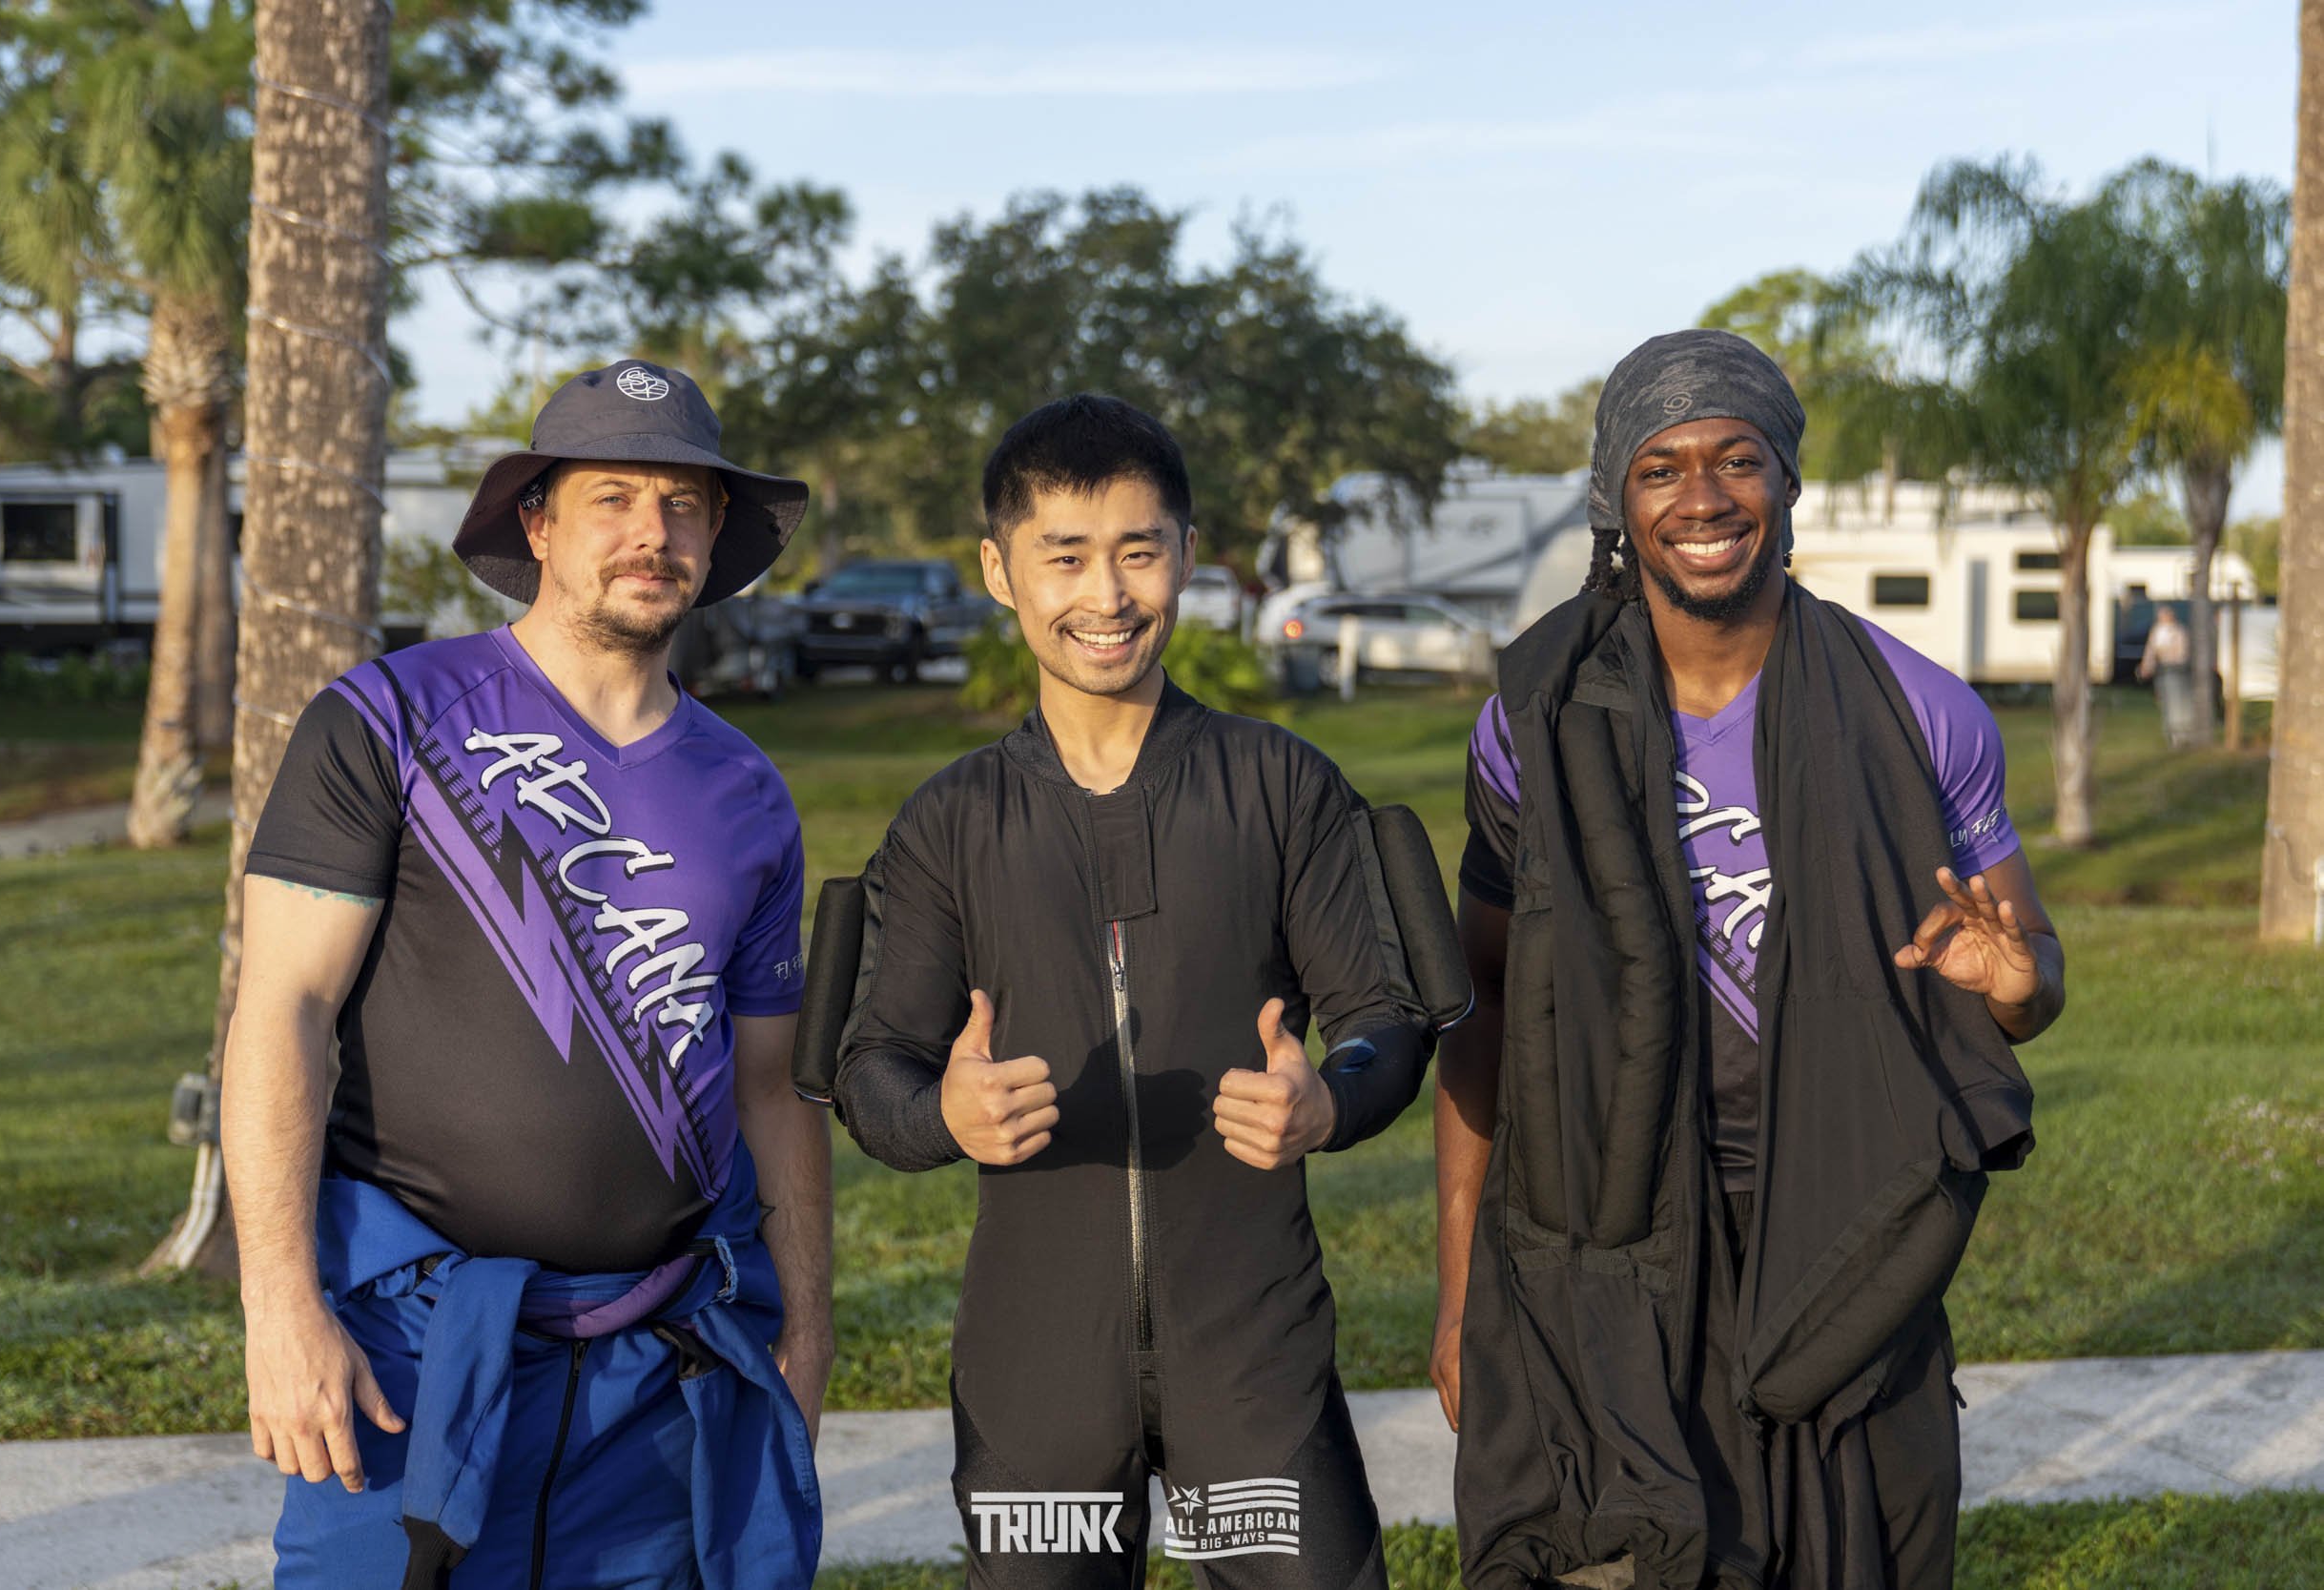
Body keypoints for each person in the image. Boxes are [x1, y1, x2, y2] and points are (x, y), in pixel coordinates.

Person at [1432, 331, 2067, 1590]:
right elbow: (1488, 1000)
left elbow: (2035, 973)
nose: (1703, 496)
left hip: (1839, 1217)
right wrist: (1458, 1290)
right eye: (1661, 468)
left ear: (1787, 482)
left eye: (1738, 459)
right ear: (1619, 499)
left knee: (1865, 1543)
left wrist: (2014, 983)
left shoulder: (1919, 707)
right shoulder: (1536, 719)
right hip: (1604, 1232)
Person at [222, 359, 830, 1589]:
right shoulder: (388, 718)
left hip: (661, 1372)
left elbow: (775, 1089)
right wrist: (281, 1309)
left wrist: (807, 1333)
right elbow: (283, 1008)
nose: (650, 533)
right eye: (612, 497)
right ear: (538, 523)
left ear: (716, 537)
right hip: (409, 1354)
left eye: (683, 503)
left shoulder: (747, 789)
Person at [830, 394, 1437, 1589]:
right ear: (999, 572)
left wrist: (1332, 1102)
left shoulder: (1281, 786)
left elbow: (1383, 1020)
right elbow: (870, 1066)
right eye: (1065, 556)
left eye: (1137, 550)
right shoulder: (950, 823)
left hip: (1253, 1346)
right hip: (1035, 1358)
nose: (1105, 595)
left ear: (1189, 557)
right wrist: (939, 1117)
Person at [2137, 604, 2199, 748]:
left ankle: (2184, 735)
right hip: (2163, 673)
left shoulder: (2179, 632)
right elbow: (2150, 652)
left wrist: (2169, 655)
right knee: (2166, 704)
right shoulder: (2157, 632)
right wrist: (2146, 667)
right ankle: (2172, 734)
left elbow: (2182, 653)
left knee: (2179, 704)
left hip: (2176, 672)